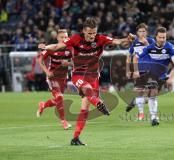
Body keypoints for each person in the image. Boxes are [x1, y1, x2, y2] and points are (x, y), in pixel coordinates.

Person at [38, 17, 134, 146]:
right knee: (87, 90)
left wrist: (127, 39)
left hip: (94, 76)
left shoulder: (100, 39)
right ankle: (98, 102)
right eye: (89, 33)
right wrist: (45, 47)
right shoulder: (75, 39)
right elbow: (56, 46)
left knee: (84, 109)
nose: (92, 36)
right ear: (84, 31)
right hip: (79, 75)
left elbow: (117, 41)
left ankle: (75, 138)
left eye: (94, 33)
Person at [133, 27, 174, 126]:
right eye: (160, 37)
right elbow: (135, 57)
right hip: (151, 74)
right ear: (156, 37)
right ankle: (154, 118)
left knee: (153, 95)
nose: (162, 39)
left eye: (164, 37)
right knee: (153, 92)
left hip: (162, 76)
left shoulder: (169, 48)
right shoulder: (150, 48)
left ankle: (140, 100)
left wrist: (171, 77)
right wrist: (136, 71)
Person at [37, 29, 72, 130]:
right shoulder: (52, 48)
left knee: (57, 100)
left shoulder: (71, 48)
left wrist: (68, 64)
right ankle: (64, 121)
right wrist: (47, 72)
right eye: (62, 37)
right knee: (60, 97)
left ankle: (43, 105)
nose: (64, 39)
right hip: (52, 77)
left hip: (63, 78)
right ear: (57, 38)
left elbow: (77, 63)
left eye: (66, 37)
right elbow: (40, 59)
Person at [125, 23, 155, 120]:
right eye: (140, 31)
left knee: (149, 95)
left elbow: (154, 52)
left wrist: (146, 44)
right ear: (137, 33)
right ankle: (141, 114)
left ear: (147, 32)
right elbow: (129, 56)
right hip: (139, 70)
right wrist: (129, 70)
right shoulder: (135, 42)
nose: (142, 33)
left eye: (144, 31)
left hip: (151, 69)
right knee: (139, 92)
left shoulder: (151, 40)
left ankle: (134, 102)